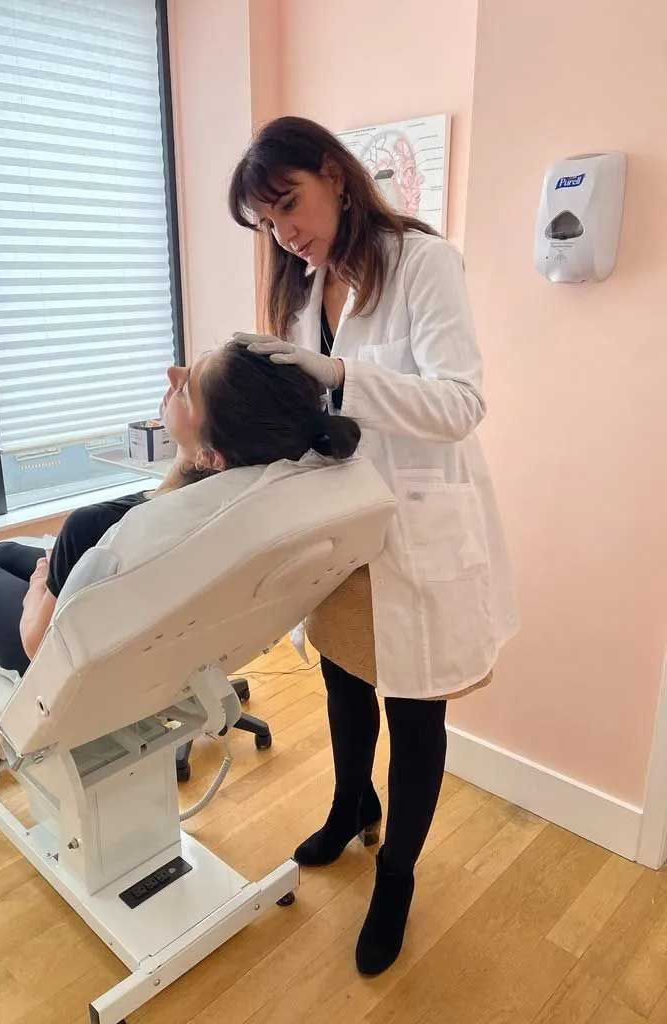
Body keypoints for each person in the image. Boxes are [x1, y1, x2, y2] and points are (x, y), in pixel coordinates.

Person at [229, 116, 518, 976]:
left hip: (412, 526)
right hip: (338, 526)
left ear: (335, 174)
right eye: (270, 224)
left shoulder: (422, 262)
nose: (287, 233)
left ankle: (396, 878)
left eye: (290, 205)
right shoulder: (302, 285)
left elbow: (460, 404)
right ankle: (352, 805)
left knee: (414, 708)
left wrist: (345, 376)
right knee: (343, 676)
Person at [0, 340, 360, 676]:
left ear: (211, 456)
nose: (172, 373)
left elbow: (36, 644)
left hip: (45, 651)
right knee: (0, 552)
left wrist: (41, 584)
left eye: (187, 389)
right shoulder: (238, 505)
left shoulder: (98, 527)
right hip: (98, 610)